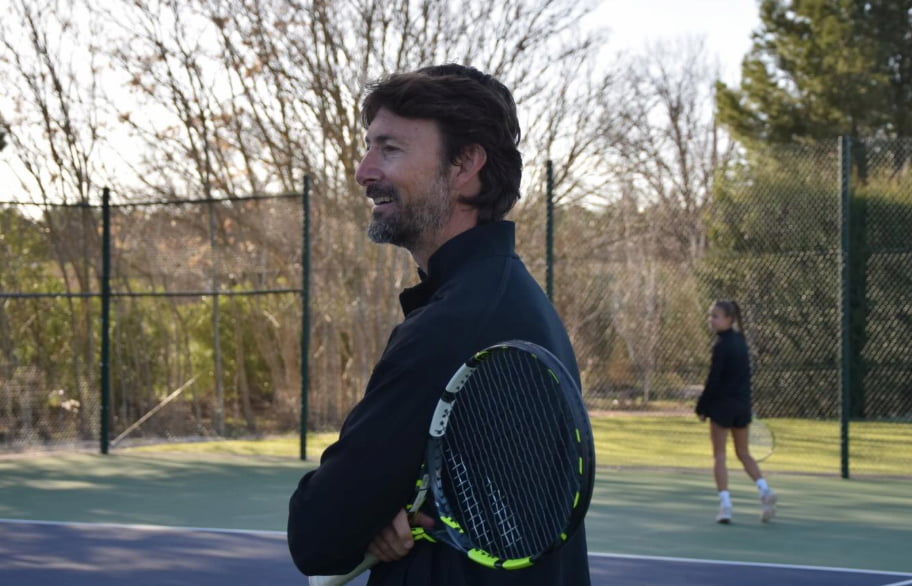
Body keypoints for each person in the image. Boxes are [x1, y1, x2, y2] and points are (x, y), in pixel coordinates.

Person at [287, 64, 590, 585]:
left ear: (465, 163)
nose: (363, 170)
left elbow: (318, 534)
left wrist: (365, 522)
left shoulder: (451, 326)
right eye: (368, 147)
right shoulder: (516, 298)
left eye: (390, 149)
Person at [695, 300, 777, 524]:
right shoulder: (741, 342)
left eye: (716, 316)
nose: (711, 320)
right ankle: (765, 491)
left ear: (729, 319)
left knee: (719, 455)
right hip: (742, 406)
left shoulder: (721, 345)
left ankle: (726, 506)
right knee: (744, 453)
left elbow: (714, 380)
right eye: (710, 315)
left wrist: (702, 407)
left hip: (722, 407)